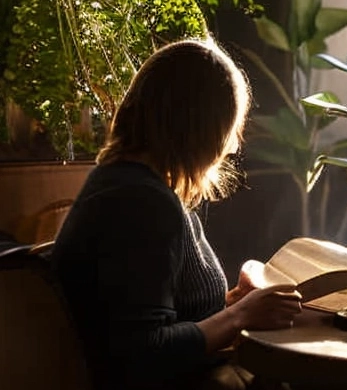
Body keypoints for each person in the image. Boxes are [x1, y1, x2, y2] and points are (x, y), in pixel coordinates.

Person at [51, 38, 302, 390]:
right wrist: (239, 315)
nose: (234, 145)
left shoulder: (133, 185)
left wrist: (233, 303)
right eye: (230, 129)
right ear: (201, 129)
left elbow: (157, 309)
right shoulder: (140, 202)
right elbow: (142, 354)